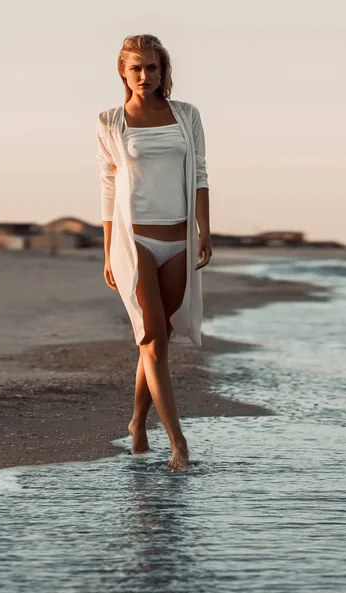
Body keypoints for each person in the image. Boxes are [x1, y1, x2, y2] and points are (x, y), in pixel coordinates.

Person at [95, 34, 212, 471]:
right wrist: (109, 252)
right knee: (154, 342)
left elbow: (200, 172)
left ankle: (136, 422)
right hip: (136, 242)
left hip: (178, 239)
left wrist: (203, 230)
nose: (145, 75)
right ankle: (178, 442)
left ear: (164, 71)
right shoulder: (110, 121)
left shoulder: (186, 116)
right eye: (137, 68)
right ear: (124, 72)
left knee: (157, 337)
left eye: (153, 67)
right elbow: (109, 186)